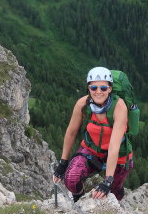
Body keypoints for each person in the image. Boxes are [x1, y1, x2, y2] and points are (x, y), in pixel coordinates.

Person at [53, 66, 134, 201]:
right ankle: (79, 200)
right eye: (93, 88)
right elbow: (71, 132)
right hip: (91, 150)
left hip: (119, 156)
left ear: (110, 88)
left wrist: (107, 181)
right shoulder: (83, 104)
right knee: (71, 180)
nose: (98, 92)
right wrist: (63, 162)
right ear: (88, 88)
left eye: (103, 88)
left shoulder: (119, 108)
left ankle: (117, 199)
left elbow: (114, 146)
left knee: (112, 192)